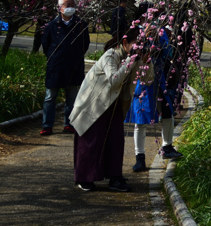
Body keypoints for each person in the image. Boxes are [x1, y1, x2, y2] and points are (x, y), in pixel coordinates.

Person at [70, 26, 152, 192]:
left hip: (113, 104)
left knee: (115, 141)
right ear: (125, 42)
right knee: (91, 141)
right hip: (93, 105)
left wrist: (146, 62)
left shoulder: (132, 58)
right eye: (136, 44)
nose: (139, 48)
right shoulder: (111, 55)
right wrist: (131, 60)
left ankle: (115, 177)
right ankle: (84, 178)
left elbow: (147, 80)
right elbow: (114, 80)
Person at [127, 23, 184, 173]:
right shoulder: (136, 31)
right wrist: (143, 38)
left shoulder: (161, 32)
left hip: (159, 79)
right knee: (141, 119)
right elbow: (131, 51)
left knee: (167, 113)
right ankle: (140, 156)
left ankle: (167, 146)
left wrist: (158, 38)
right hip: (143, 81)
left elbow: (167, 52)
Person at [41, 0, 91, 136]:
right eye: (66, 4)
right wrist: (54, 57)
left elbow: (85, 44)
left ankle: (69, 124)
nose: (69, 7)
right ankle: (47, 125)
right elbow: (46, 44)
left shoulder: (81, 25)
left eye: (72, 4)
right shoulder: (52, 25)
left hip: (74, 65)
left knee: (72, 97)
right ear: (60, 7)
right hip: (55, 66)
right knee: (50, 97)